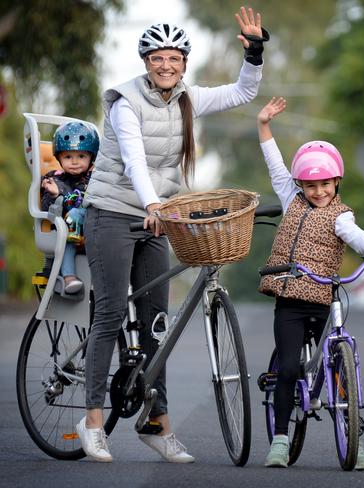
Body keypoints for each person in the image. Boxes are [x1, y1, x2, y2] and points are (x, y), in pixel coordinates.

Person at [76, 7, 268, 463]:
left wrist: (255, 53)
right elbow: (135, 160)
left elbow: (243, 91)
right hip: (113, 211)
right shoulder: (125, 102)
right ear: (146, 62)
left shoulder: (188, 98)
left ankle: (156, 424)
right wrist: (153, 205)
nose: (167, 65)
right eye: (158, 57)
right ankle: (92, 421)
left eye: (175, 58)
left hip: (157, 217)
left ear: (184, 63)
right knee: (108, 313)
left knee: (156, 322)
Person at [256, 97, 364, 469]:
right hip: (289, 299)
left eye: (325, 185)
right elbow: (274, 166)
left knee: (340, 366)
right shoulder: (292, 199)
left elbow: (356, 236)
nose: (318, 192)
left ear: (337, 182)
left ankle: (355, 441)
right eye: (311, 185)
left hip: (323, 298)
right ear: (300, 184)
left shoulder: (340, 216)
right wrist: (264, 125)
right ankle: (281, 440)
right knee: (287, 368)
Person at [41, 121, 98, 294]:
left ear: (91, 158)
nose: (74, 162)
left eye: (81, 156)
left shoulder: (96, 179)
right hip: (68, 233)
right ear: (59, 158)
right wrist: (53, 195)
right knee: (68, 241)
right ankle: (69, 278)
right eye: (68, 157)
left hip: (94, 229)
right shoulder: (54, 179)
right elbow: (46, 208)